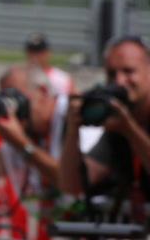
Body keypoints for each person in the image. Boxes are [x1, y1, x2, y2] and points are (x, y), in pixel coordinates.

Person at [0, 64, 68, 240]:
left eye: (16, 96)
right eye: (5, 98)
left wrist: (22, 144)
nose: (13, 107)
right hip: (56, 237)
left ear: (42, 92)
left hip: (92, 234)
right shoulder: (22, 134)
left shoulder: (70, 119)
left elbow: (70, 182)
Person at [59, 36, 150, 216]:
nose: (119, 81)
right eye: (111, 74)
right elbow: (72, 185)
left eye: (128, 71)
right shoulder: (119, 125)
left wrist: (130, 130)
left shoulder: (124, 125)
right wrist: (73, 129)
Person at [24, 33, 73, 97]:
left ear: (47, 52)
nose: (34, 56)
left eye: (39, 51)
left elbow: (72, 102)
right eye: (31, 51)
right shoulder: (19, 77)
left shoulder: (62, 78)